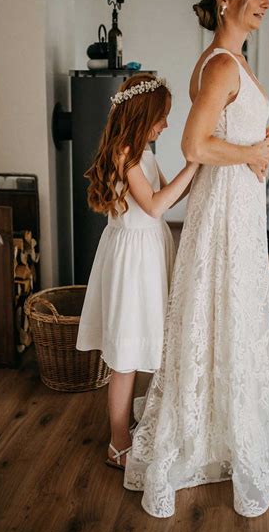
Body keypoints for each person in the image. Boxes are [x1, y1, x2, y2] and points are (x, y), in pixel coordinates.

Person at [124, 0, 269, 518]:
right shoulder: (220, 65)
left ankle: (219, 427)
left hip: (234, 204)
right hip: (225, 214)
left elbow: (221, 141)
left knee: (224, 316)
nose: (266, 1)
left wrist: (254, 158)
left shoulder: (228, 62)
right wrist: (251, 153)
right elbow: (194, 146)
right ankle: (207, 434)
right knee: (224, 312)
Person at [76, 73, 199, 471]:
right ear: (140, 115)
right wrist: (193, 164)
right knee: (125, 354)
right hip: (131, 260)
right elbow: (156, 204)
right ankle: (117, 441)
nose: (165, 125)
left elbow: (173, 194)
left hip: (150, 251)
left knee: (143, 338)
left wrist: (202, 172)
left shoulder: (144, 152)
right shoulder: (124, 155)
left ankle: (126, 421)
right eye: (161, 118)